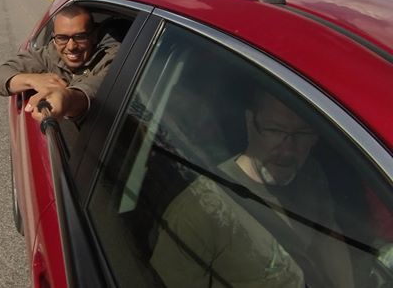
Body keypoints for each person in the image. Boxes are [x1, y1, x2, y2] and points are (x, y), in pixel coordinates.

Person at [150, 90, 354, 287]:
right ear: (250, 123)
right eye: (274, 130)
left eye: (301, 134)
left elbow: (328, 238)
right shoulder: (200, 208)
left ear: (315, 137)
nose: (288, 149)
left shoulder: (310, 175)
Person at [0, 4, 120, 122]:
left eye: (80, 37)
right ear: (54, 39)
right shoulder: (46, 55)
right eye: (62, 38)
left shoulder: (110, 58)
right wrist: (32, 79)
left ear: (93, 36)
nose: (71, 46)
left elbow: (99, 86)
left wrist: (66, 99)